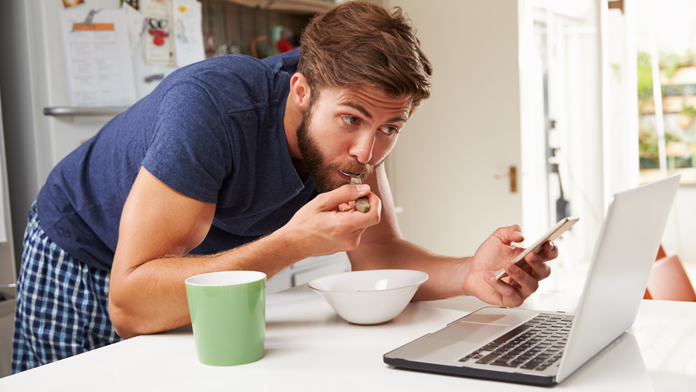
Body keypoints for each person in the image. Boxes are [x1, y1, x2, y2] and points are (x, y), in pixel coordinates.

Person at [12, 1, 557, 373]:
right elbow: (131, 304)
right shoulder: (212, 111)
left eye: (391, 127)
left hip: (184, 268)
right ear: (301, 90)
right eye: (352, 119)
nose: (368, 152)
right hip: (84, 250)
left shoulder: (355, 137)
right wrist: (293, 243)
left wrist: (470, 273)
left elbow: (380, 255)